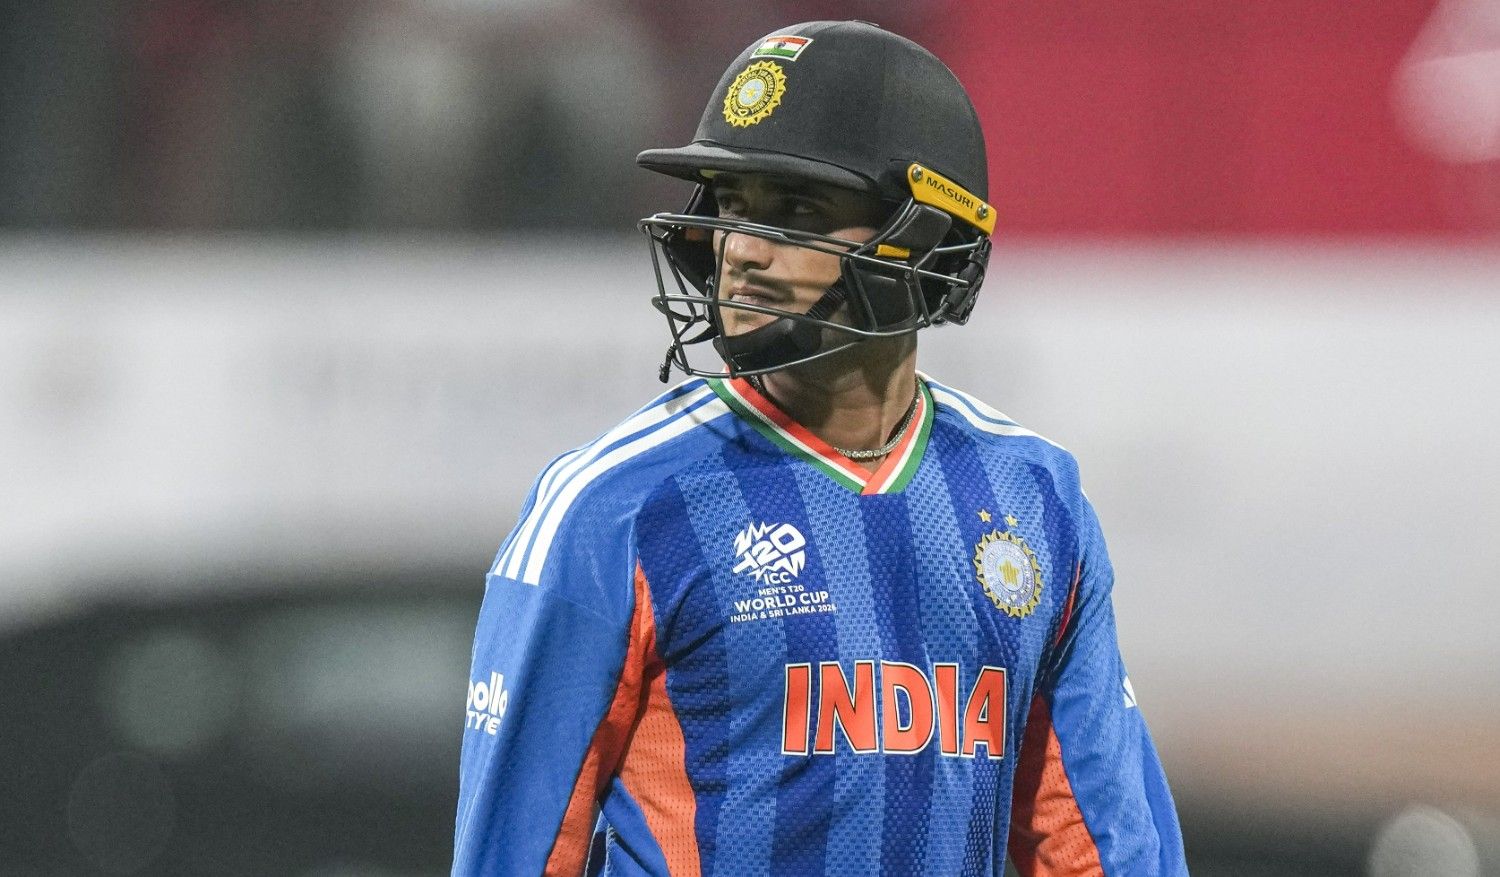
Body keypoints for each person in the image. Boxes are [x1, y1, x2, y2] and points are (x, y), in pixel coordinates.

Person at [454, 20, 1187, 877]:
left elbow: (1103, 848)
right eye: (731, 207)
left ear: (924, 238)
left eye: (796, 211)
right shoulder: (612, 507)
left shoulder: (1037, 496)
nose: (741, 251)